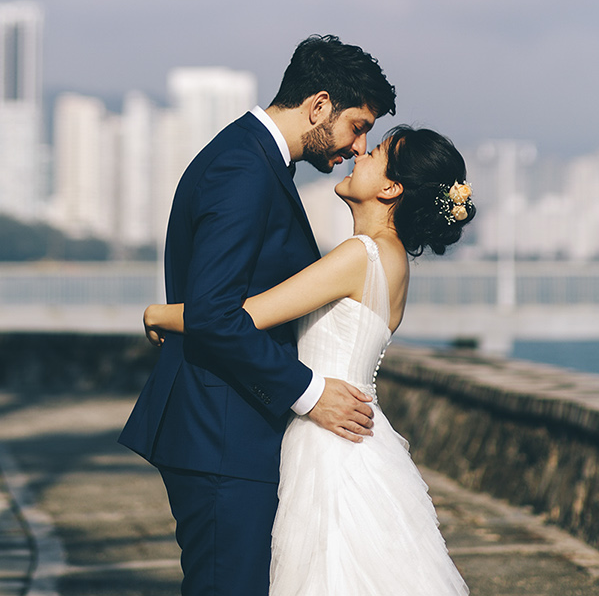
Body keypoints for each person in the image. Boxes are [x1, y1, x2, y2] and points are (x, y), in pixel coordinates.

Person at [118, 34, 397, 596]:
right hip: (222, 433)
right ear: (319, 106)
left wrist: (164, 313)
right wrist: (311, 392)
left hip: (232, 430)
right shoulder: (244, 167)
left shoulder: (254, 159)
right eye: (358, 125)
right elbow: (219, 315)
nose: (357, 145)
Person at [142, 126, 476, 594]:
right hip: (358, 435)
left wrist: (158, 313)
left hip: (328, 441)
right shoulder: (392, 259)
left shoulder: (360, 255)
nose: (359, 153)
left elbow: (246, 316)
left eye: (375, 152)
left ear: (390, 188)